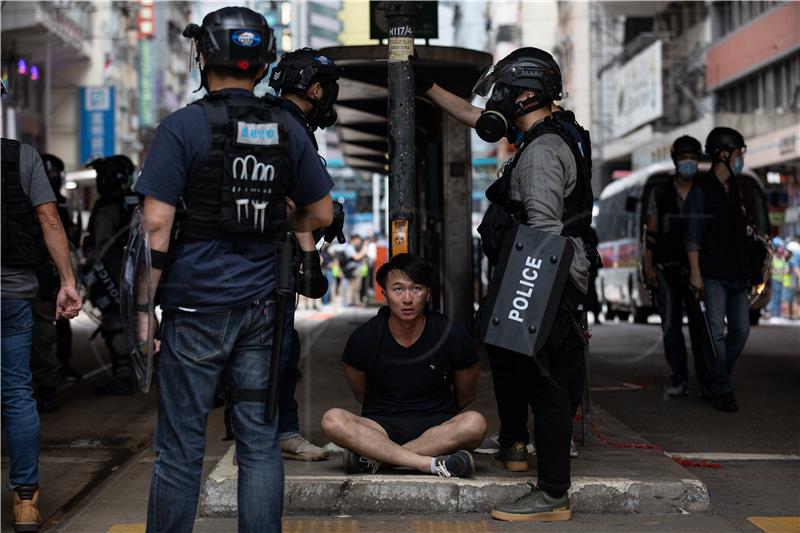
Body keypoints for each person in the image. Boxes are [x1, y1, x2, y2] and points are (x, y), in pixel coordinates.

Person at [136, 7, 333, 532]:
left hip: (195, 307)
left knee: (180, 447)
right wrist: (275, 217)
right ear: (262, 61)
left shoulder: (181, 127)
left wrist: (141, 312)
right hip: (264, 308)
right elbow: (322, 213)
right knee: (260, 444)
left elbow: (156, 226)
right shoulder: (287, 129)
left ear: (204, 57)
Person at [417, 47, 593, 521]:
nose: (499, 100)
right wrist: (427, 87)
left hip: (545, 276)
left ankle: (553, 493)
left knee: (548, 386)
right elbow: (480, 119)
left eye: (506, 92)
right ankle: (522, 452)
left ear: (528, 94)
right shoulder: (553, 131)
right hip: (547, 274)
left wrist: (527, 303)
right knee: (524, 372)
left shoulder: (541, 153)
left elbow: (543, 231)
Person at [321, 254, 487, 479]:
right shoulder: (365, 338)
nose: (407, 299)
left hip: (437, 428)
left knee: (475, 423)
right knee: (332, 420)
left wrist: (380, 449)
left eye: (416, 289)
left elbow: (467, 393)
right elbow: (361, 393)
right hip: (379, 427)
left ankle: (378, 459)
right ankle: (428, 464)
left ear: (428, 293)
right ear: (384, 294)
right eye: (398, 289)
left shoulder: (452, 334)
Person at [1, 136, 82, 532]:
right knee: (17, 391)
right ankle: (26, 501)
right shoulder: (21, 156)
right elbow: (49, 218)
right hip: (13, 294)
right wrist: (67, 280)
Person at [268, 46, 344, 461]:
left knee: (278, 347)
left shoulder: (269, 119)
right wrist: (312, 246)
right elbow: (295, 204)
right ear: (315, 88)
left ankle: (272, 431)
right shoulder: (290, 126)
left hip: (260, 258)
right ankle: (275, 434)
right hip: (271, 261)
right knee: (277, 351)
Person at [685, 127, 752, 413]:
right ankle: (722, 389)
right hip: (711, 274)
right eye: (738, 154)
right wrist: (696, 273)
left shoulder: (736, 190)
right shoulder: (701, 191)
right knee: (716, 333)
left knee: (741, 330)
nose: (741, 159)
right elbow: (692, 236)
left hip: (736, 274)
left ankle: (714, 376)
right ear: (723, 154)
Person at [643, 136, 708, 397]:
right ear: (675, 159)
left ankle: (706, 380)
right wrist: (648, 267)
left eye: (693, 157)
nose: (689, 162)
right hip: (666, 267)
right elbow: (651, 232)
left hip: (699, 270)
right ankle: (679, 377)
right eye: (684, 157)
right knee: (670, 326)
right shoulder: (660, 192)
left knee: (700, 327)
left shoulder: (705, 191)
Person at [82, 154, 139, 396]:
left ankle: (124, 376)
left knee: (116, 325)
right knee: (134, 323)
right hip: (137, 275)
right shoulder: (136, 200)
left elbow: (101, 246)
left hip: (114, 275)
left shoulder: (108, 206)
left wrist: (90, 271)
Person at [30, 154, 82, 412]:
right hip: (36, 278)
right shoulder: (38, 201)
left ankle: (49, 386)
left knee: (45, 335)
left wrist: (66, 280)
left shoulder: (56, 205)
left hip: (45, 279)